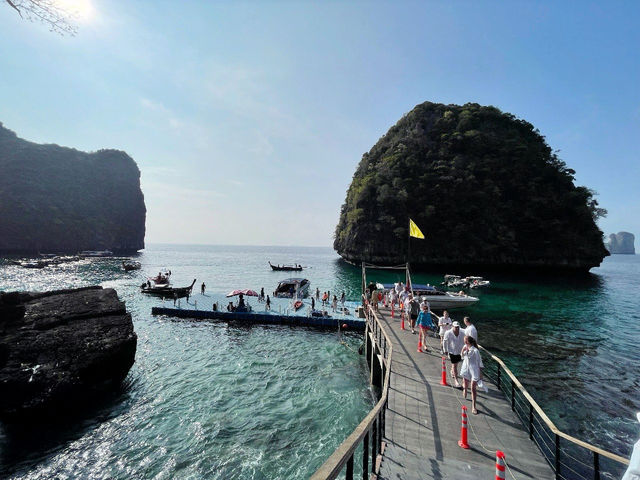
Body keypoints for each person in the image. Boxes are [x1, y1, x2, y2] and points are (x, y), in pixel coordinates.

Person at [460, 335, 484, 414]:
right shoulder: (465, 347)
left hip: (473, 370)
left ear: (467, 341)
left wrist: (480, 373)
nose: (464, 341)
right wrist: (463, 351)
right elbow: (462, 356)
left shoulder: (475, 351)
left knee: (473, 388)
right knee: (466, 384)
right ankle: (465, 389)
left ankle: (474, 406)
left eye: (464, 340)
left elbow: (479, 362)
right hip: (466, 368)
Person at [443, 321, 466, 388]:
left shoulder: (463, 332)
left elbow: (468, 333)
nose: (457, 328)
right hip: (452, 351)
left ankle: (452, 370)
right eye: (455, 327)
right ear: (452, 327)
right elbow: (444, 341)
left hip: (460, 351)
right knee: (455, 366)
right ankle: (456, 381)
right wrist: (445, 350)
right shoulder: (448, 333)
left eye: (458, 327)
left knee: (455, 364)